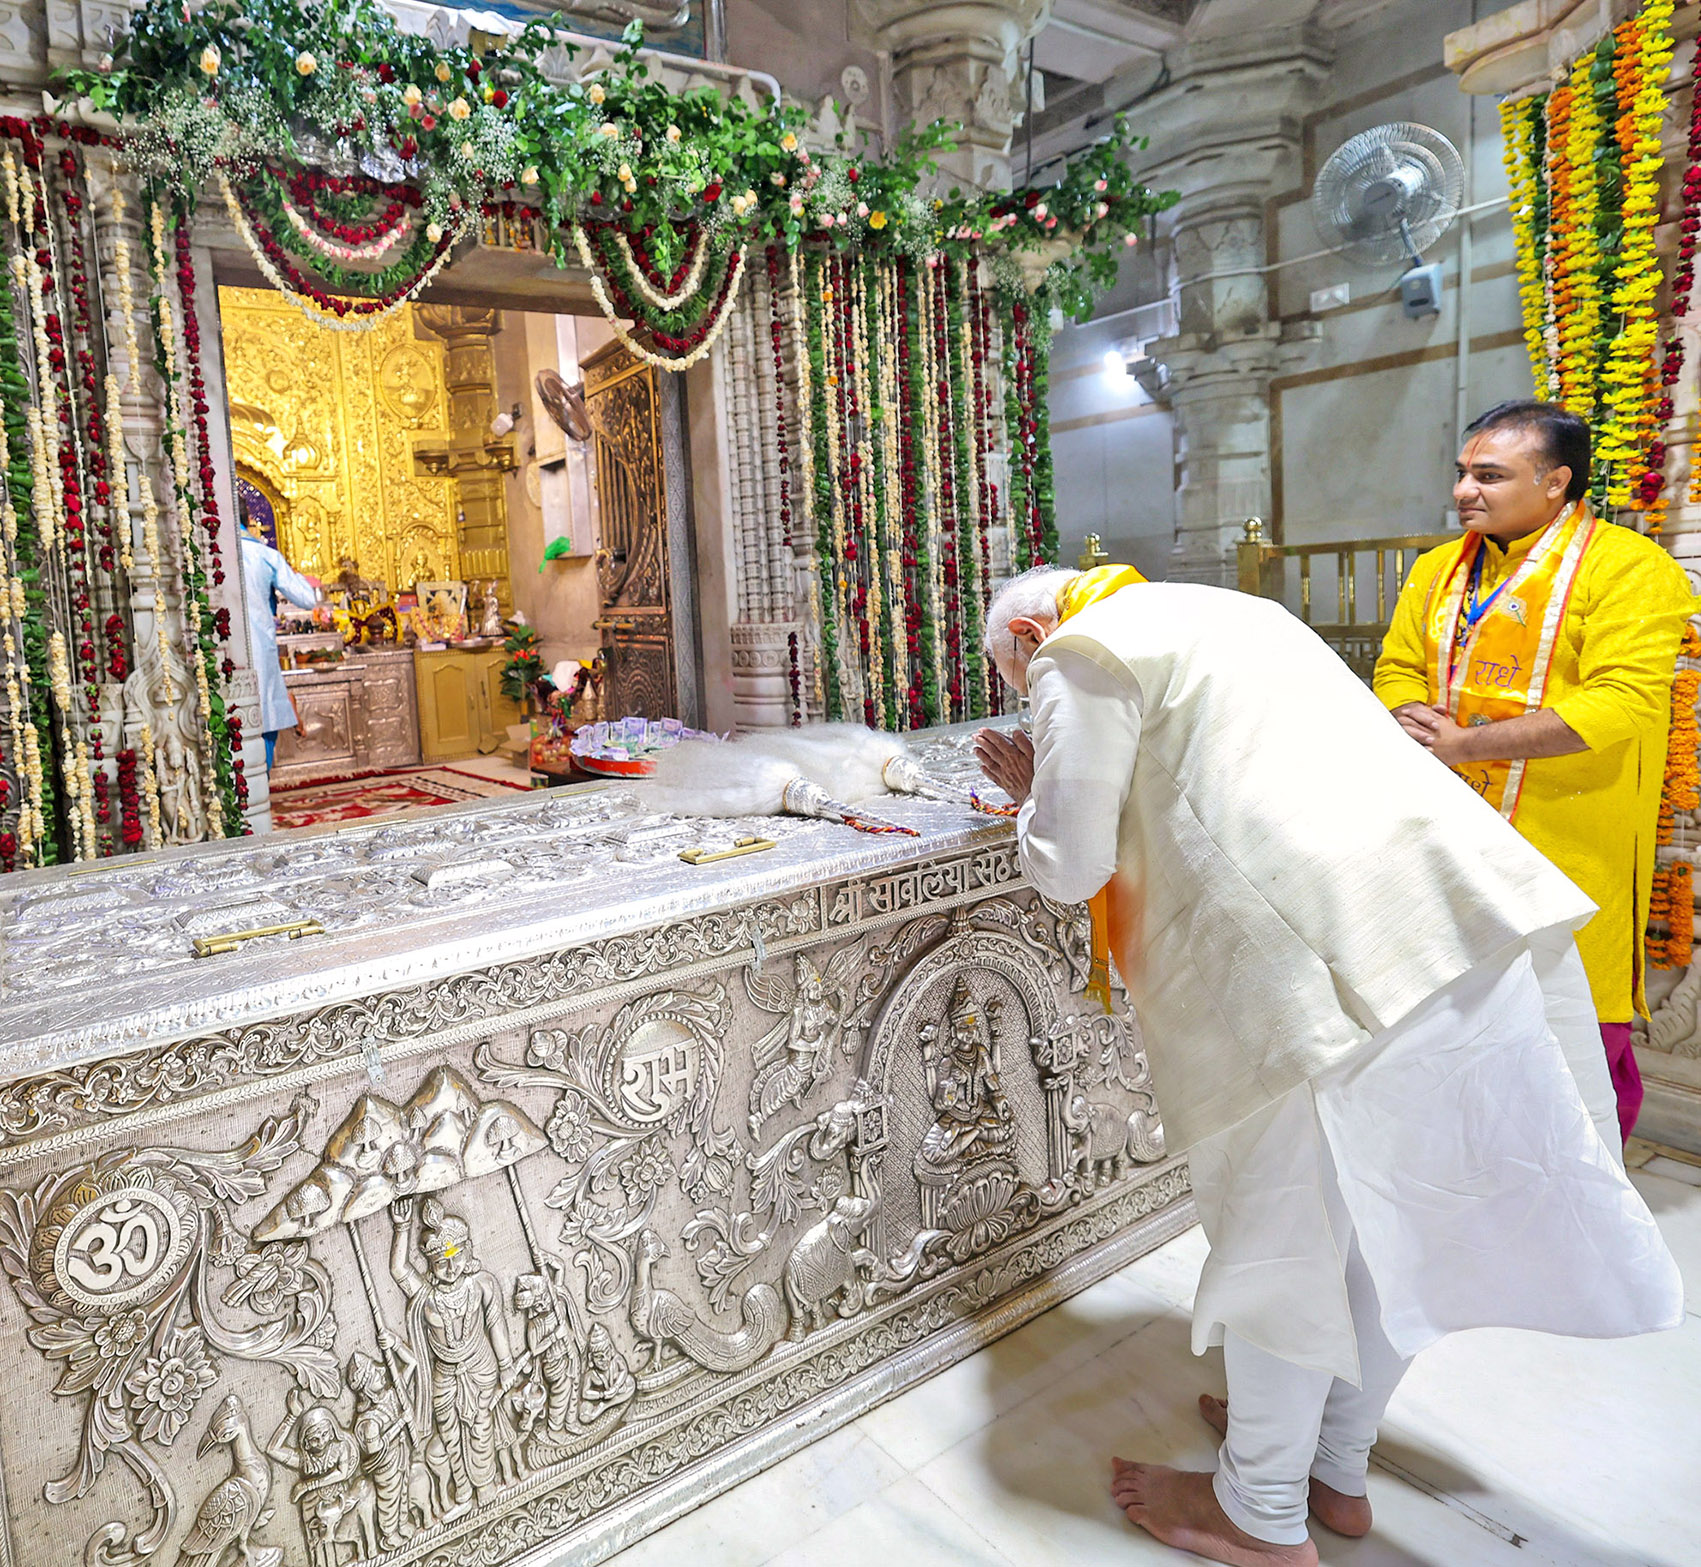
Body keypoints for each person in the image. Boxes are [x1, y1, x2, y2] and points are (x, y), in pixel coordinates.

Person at [972, 563, 1682, 1567]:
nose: (1026, 693)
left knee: (1284, 1236)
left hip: (1314, 968)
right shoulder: (1231, 612)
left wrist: (1031, 794)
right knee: (1393, 1220)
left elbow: (1073, 861)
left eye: (1015, 678)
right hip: (1446, 918)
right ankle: (1333, 1461)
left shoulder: (1080, 649)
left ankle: (1257, 1511)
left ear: (1034, 629)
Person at [1375, 401, 1696, 1143]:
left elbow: (1620, 703)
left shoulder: (1628, 568)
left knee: (1573, 1037)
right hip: (1449, 835)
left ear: (1555, 482)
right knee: (1457, 1022)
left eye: (1488, 475)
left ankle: (1585, 1214)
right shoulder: (1436, 569)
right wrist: (1408, 717)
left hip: (1569, 839)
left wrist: (1463, 745)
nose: (1463, 491)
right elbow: (1396, 666)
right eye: (1461, 473)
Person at [238, 506, 320, 770]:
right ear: (248, 521)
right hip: (258, 653)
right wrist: (290, 570)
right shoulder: (264, 554)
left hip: (220, 655)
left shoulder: (206, 554)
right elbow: (307, 598)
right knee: (262, 727)